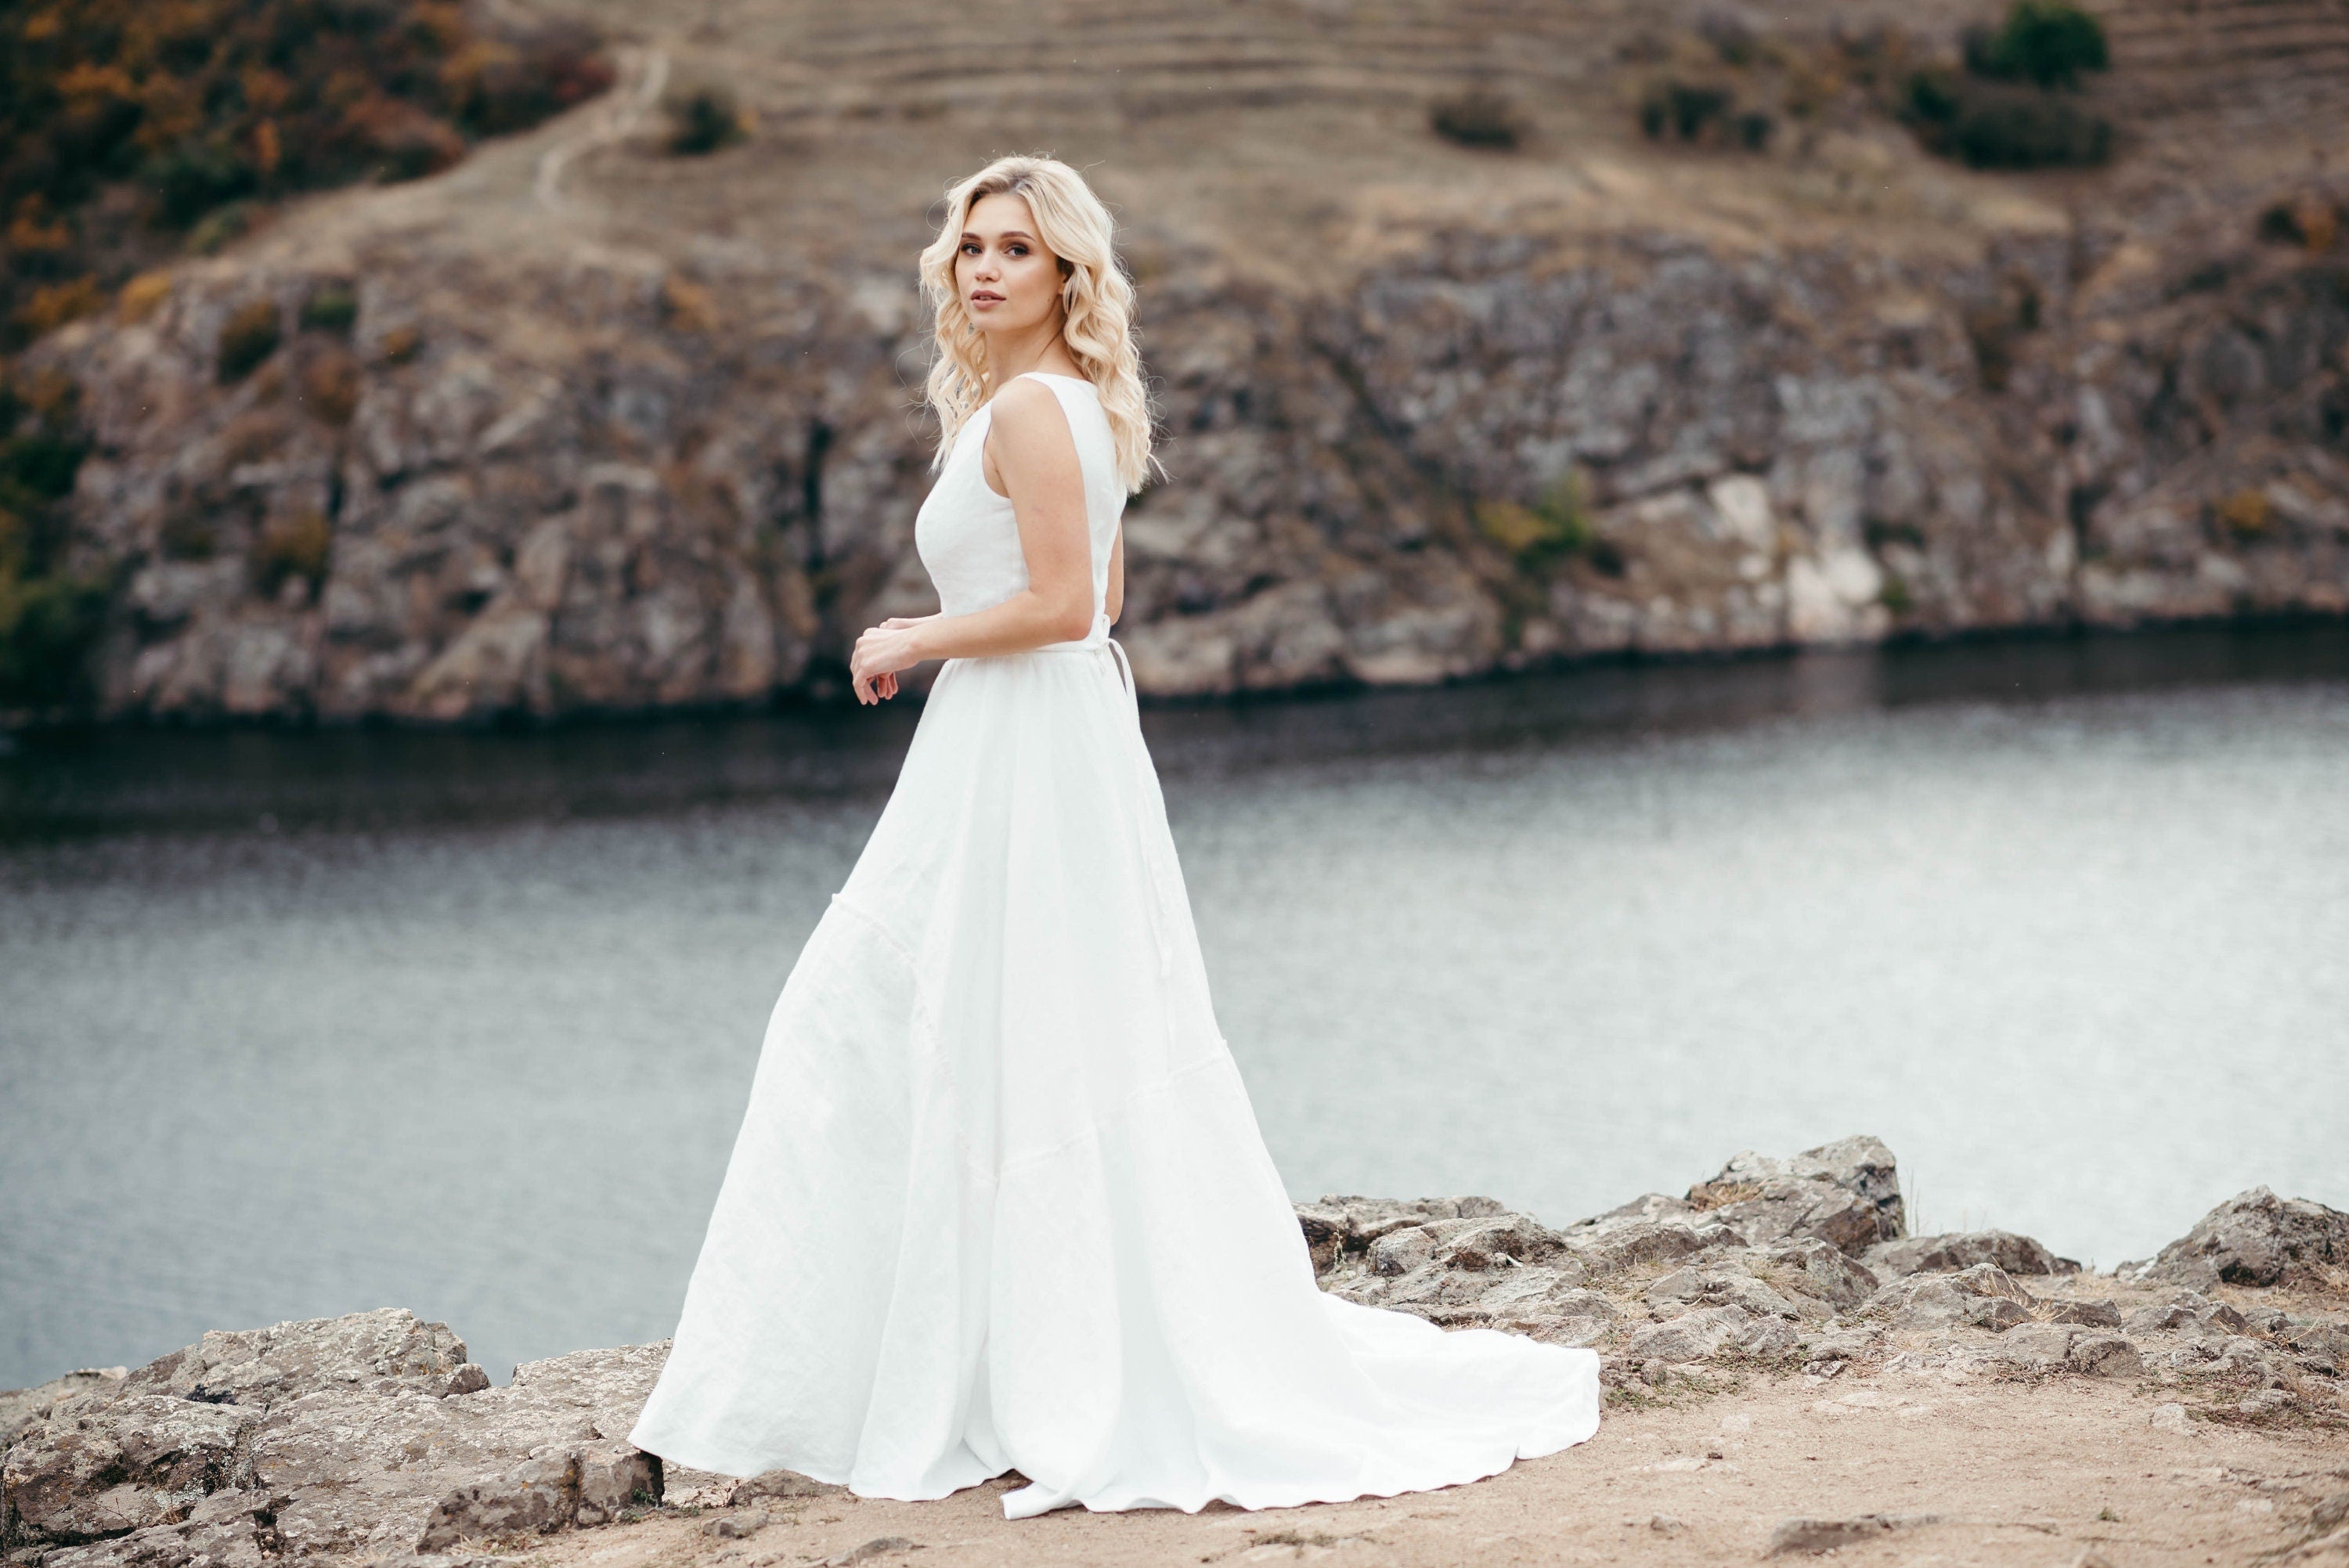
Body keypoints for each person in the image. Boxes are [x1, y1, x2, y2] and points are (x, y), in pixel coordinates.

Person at [626, 154, 1600, 1520]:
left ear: (1066, 275)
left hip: (1023, 740)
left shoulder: (1033, 406)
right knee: (998, 1032)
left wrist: (917, 635)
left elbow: (1070, 601)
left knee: (927, 1024)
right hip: (1033, 747)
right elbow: (1103, 597)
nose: (983, 267)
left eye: (1016, 249)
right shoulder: (1062, 405)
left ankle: (989, 1374)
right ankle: (994, 1361)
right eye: (971, 244)